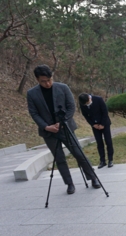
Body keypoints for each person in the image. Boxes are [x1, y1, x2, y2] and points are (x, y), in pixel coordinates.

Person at [27, 65, 101, 194]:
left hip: (65, 127)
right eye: (43, 81)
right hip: (48, 132)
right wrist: (46, 126)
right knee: (59, 158)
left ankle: (93, 177)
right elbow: (34, 113)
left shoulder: (63, 88)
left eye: (49, 80)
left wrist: (62, 122)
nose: (47, 83)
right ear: (37, 79)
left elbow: (71, 106)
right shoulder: (32, 93)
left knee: (79, 154)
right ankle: (69, 183)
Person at [78, 93, 114, 168]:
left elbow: (105, 112)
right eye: (86, 104)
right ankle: (102, 161)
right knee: (99, 143)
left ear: (89, 97)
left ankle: (110, 160)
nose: (87, 104)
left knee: (108, 141)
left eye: (88, 102)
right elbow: (85, 115)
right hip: (95, 125)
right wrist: (93, 124)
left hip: (104, 123)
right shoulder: (82, 103)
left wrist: (102, 124)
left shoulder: (98, 99)